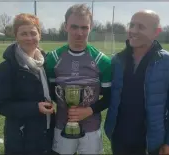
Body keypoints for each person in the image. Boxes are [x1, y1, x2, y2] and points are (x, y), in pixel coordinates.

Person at [104, 10, 169, 155]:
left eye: (141, 27)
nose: (133, 31)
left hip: (151, 144)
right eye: (132, 25)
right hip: (119, 139)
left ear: (156, 32)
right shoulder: (117, 60)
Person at [45, 4, 111, 155]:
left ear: (91, 27)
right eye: (74, 27)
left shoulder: (103, 61)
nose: (79, 33)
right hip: (62, 126)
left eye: (84, 27)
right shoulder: (52, 59)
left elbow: (109, 97)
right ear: (65, 26)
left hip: (91, 128)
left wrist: (89, 110)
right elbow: (51, 92)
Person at [0, 13, 55, 155]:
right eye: (23, 34)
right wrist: (35, 108)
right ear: (16, 36)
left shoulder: (46, 64)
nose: (29, 38)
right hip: (21, 140)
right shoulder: (7, 67)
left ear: (40, 35)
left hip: (46, 135)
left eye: (33, 33)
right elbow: (1, 106)